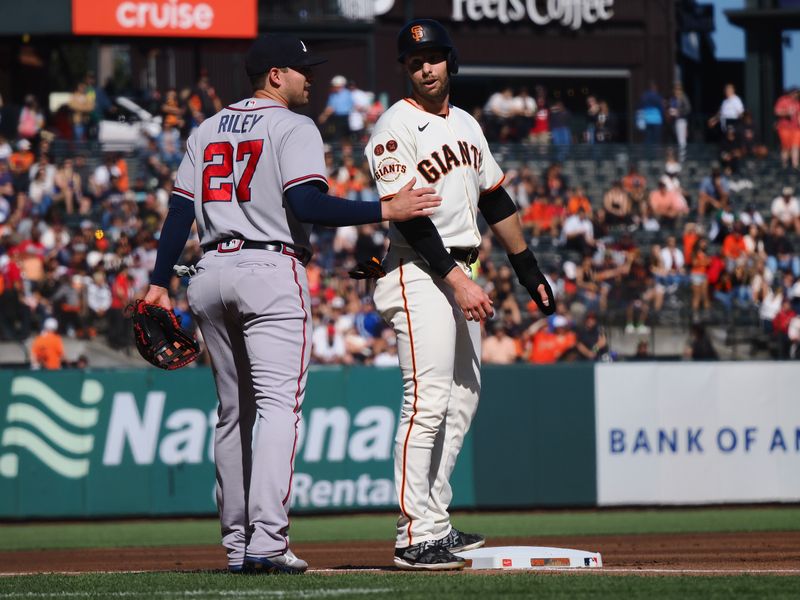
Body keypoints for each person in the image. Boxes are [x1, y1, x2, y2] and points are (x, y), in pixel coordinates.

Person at [141, 33, 442, 575]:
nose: (311, 77)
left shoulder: (205, 129)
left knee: (234, 415)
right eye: (302, 70)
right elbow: (307, 202)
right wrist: (385, 209)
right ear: (274, 75)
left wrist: (158, 282)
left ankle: (237, 544)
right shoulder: (294, 125)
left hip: (208, 273)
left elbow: (180, 213)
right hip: (268, 268)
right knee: (279, 409)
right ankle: (267, 541)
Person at [363, 19, 554, 571]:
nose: (426, 66)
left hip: (459, 269)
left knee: (463, 396)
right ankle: (414, 532)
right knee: (425, 400)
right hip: (422, 268)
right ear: (405, 68)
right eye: (415, 59)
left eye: (435, 56)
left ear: (450, 61)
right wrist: (457, 279)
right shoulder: (394, 126)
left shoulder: (469, 125)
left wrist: (527, 268)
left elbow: (495, 199)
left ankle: (434, 522)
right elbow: (409, 215)